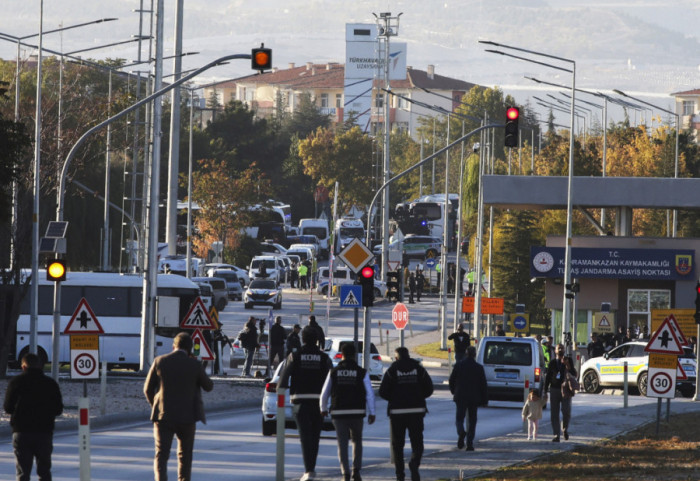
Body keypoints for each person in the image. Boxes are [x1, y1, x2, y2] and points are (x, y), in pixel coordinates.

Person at [144, 332, 214, 481]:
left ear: (173, 345)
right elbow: (208, 386)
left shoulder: (159, 361)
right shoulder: (194, 365)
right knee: (185, 456)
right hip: (187, 418)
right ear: (189, 349)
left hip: (164, 416)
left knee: (161, 454)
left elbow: (147, 389)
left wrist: (155, 406)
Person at [280, 327, 333, 481]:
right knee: (315, 436)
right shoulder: (324, 357)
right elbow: (332, 377)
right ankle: (312, 468)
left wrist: (280, 390)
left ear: (302, 339)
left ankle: (308, 470)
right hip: (318, 401)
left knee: (304, 436)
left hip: (299, 400)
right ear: (317, 340)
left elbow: (283, 379)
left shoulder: (295, 356)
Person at [320, 343, 376, 481]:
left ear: (342, 355)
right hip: (357, 412)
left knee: (342, 443)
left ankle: (345, 473)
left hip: (339, 413)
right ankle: (356, 470)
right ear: (354, 355)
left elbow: (324, 392)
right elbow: (369, 393)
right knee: (357, 441)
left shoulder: (334, 372)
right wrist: (372, 412)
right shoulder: (362, 372)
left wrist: (323, 408)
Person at [4, 352, 63, 481]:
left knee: (23, 472)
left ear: (23, 366)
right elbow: (58, 409)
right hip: (44, 432)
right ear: (40, 366)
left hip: (21, 431)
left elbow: (8, 408)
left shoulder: (16, 382)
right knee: (44, 472)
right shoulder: (50, 384)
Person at [379, 347, 434, 481]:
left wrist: (394, 399)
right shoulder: (418, 369)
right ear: (408, 355)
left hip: (397, 413)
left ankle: (400, 475)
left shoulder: (392, 370)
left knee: (397, 446)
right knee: (417, 443)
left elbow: (382, 391)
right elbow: (429, 388)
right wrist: (419, 397)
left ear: (396, 357)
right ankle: (414, 463)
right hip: (416, 411)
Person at [448, 345, 487, 451]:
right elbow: (483, 385)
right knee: (472, 420)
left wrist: (453, 391)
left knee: (459, 418)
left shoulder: (459, 365)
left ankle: (461, 432)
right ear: (474, 355)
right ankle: (469, 443)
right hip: (474, 397)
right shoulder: (479, 368)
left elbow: (451, 380)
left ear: (466, 354)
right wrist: (484, 399)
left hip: (460, 396)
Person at [544, 343, 577, 442]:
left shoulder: (568, 360)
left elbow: (574, 374)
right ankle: (556, 435)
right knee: (554, 413)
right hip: (554, 389)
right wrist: (545, 390)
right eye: (559, 348)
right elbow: (548, 377)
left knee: (566, 411)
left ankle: (565, 429)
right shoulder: (552, 363)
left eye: (562, 348)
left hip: (566, 389)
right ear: (555, 351)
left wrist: (567, 365)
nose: (560, 350)